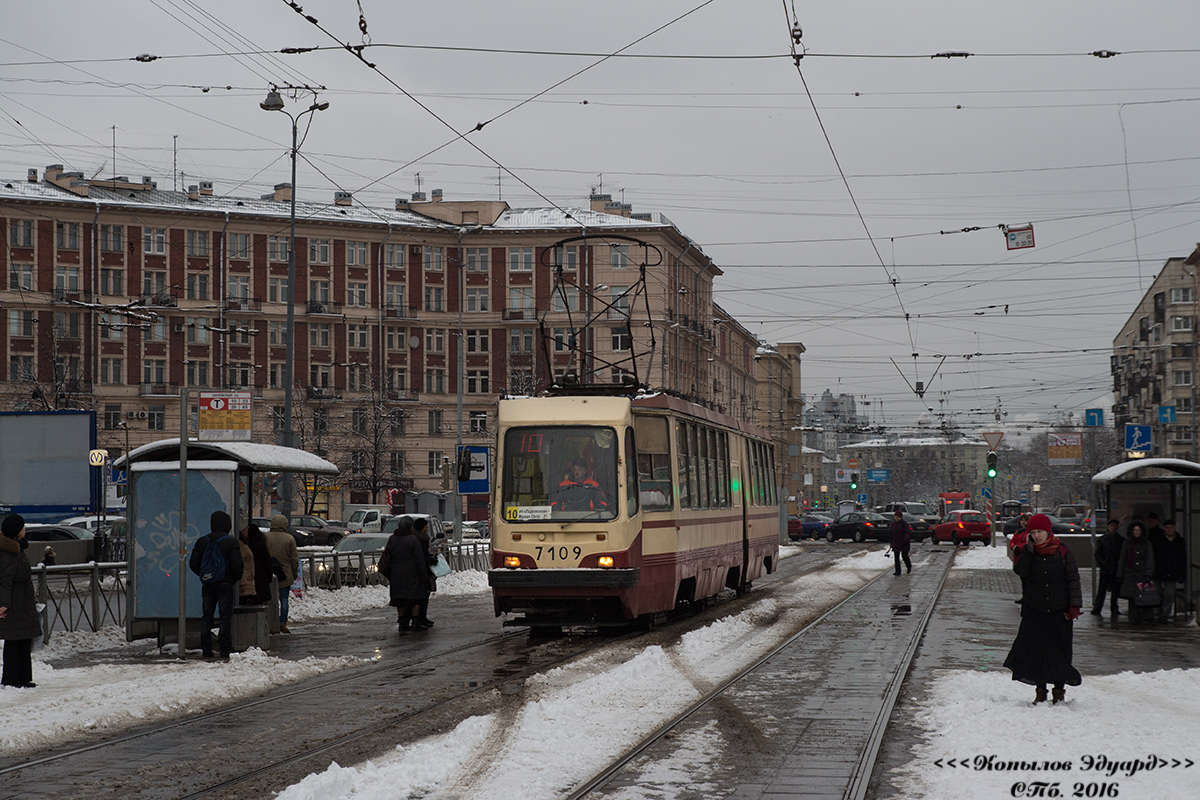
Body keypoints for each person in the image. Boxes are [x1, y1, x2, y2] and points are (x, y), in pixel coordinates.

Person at [1003, 514, 1082, 705]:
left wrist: (1074, 606)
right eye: (1033, 532)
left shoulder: (1063, 551)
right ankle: (1040, 691)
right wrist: (1028, 551)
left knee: (1060, 651)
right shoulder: (1030, 552)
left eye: (1039, 532)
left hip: (1059, 610)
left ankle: (1059, 691)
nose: (1037, 536)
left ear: (1048, 531)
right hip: (1035, 609)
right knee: (1036, 651)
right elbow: (1020, 571)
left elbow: (1073, 579)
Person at [187, 511, 244, 660]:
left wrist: (205, 576)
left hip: (208, 584)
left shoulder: (202, 541)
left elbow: (193, 564)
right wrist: (232, 578)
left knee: (207, 616)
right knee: (225, 616)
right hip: (225, 584)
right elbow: (237, 565)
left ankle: (206, 649)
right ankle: (225, 648)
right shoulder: (231, 542)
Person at [0, 514, 41, 688]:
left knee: (24, 638)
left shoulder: (17, 548)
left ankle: (24, 678)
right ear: (16, 531)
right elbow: (5, 580)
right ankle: (11, 679)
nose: (25, 530)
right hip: (15, 601)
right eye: (23, 527)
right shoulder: (9, 552)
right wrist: (4, 604)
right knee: (14, 639)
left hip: (23, 600)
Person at [381, 516, 432, 632]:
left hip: (396, 573)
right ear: (410, 527)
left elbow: (387, 556)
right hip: (412, 573)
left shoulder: (392, 539)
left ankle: (402, 622)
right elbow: (419, 559)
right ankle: (415, 622)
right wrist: (423, 575)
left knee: (399, 599)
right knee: (415, 598)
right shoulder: (413, 539)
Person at [264, 513, 299, 633]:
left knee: (269, 599)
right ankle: (282, 623)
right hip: (285, 573)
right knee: (284, 599)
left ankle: (269, 621)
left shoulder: (266, 537)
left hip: (269, 573)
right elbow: (294, 559)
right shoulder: (289, 539)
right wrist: (294, 574)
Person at [1116, 521, 1155, 625]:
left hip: (1142, 573)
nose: (1137, 532)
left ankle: (1146, 617)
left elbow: (1150, 559)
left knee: (1145, 596)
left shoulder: (1147, 544)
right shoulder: (1127, 543)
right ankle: (1134, 618)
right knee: (1132, 598)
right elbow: (1122, 559)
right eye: (1135, 530)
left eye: (1138, 530)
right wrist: (1120, 574)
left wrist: (1148, 574)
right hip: (1130, 574)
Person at [1155, 519, 1187, 623]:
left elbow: (1183, 559)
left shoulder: (1180, 541)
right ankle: (1156, 613)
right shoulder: (1158, 540)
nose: (1169, 530)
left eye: (1171, 527)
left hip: (1172, 571)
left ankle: (1165, 614)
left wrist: (1182, 574)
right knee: (1156, 593)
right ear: (1164, 529)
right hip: (1158, 571)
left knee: (1169, 594)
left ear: (1175, 528)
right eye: (1167, 528)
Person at [1090, 519, 1123, 617]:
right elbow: (1097, 554)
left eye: (1115, 526)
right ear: (1108, 527)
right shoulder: (1103, 539)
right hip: (1105, 569)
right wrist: (1103, 563)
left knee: (1115, 590)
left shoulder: (1121, 540)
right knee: (1102, 590)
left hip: (1116, 569)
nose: (1113, 527)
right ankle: (1097, 608)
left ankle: (1114, 608)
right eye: (1111, 525)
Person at [411, 516, 438, 628]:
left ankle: (423, 618)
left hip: (426, 570)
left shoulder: (424, 538)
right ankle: (419, 619)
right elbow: (420, 557)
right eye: (426, 526)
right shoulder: (417, 540)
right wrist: (430, 559)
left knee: (426, 595)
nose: (427, 528)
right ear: (421, 528)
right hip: (420, 571)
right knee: (421, 596)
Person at [246, 523, 273, 604]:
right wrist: (269, 578)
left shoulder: (245, 546)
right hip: (261, 579)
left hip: (248, 579)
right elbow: (268, 563)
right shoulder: (261, 545)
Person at [237, 525, 257, 607]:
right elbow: (240, 564)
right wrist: (242, 583)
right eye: (246, 529)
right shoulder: (241, 545)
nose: (247, 531)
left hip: (246, 581)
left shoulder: (243, 543)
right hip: (245, 583)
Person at [889, 510, 912, 575]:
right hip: (896, 542)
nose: (896, 518)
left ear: (900, 517)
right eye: (895, 517)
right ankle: (898, 571)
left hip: (903, 543)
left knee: (904, 556)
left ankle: (909, 566)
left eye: (897, 517)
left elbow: (907, 533)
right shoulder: (893, 524)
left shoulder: (904, 524)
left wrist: (905, 540)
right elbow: (891, 533)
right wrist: (891, 542)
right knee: (896, 557)